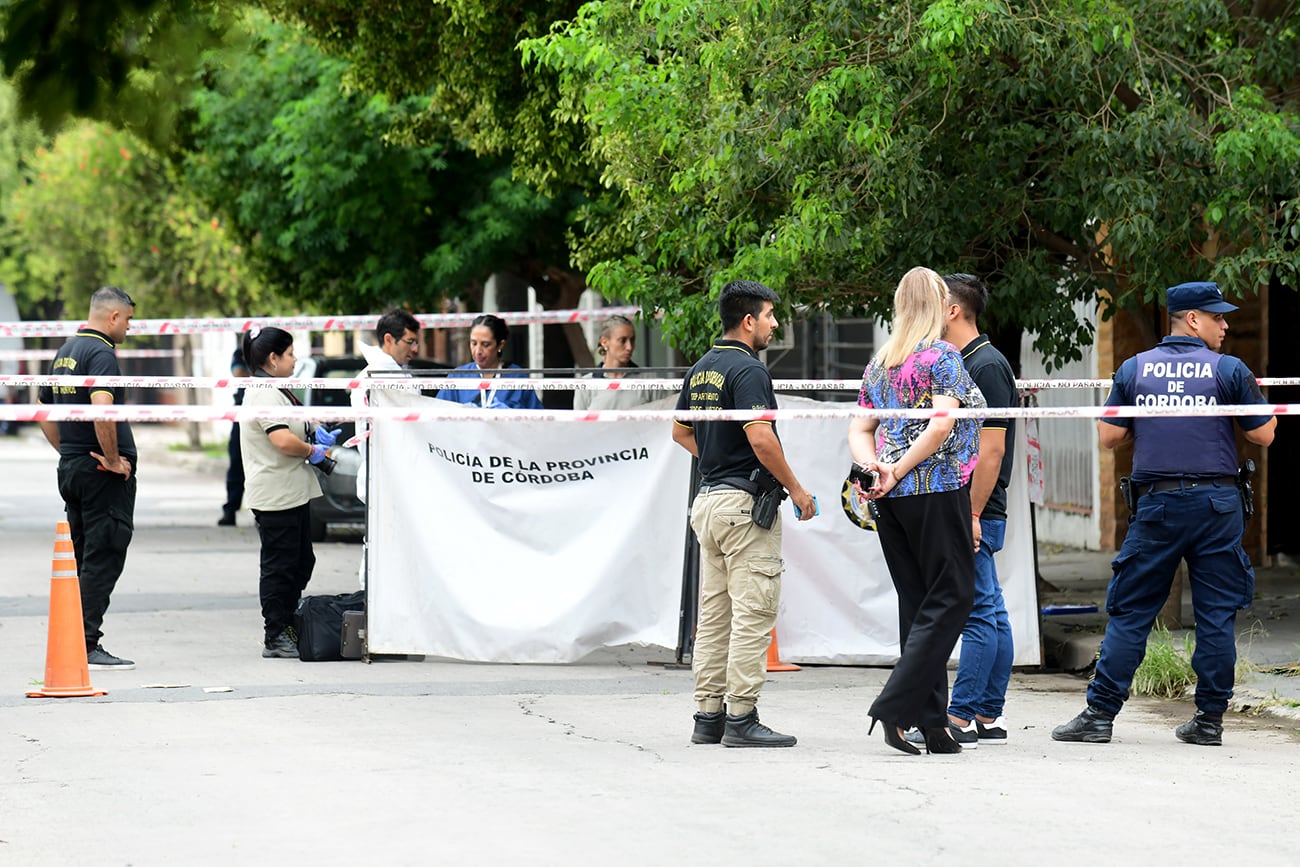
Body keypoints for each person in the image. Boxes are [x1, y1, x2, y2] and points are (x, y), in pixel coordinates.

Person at [1053, 281, 1276, 746]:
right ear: (1192, 319)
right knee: (1215, 616)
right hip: (1216, 506)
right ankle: (1210, 721)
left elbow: (1109, 437)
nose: (1226, 324)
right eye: (1218, 317)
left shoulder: (1134, 368)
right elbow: (1265, 435)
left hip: (1157, 506)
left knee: (1132, 612)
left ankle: (1099, 716)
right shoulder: (1230, 370)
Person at [671, 279, 817, 748]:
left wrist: (717, 458)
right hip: (743, 509)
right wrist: (795, 488)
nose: (775, 325)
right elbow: (760, 438)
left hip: (709, 504)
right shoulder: (748, 370)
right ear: (749, 320)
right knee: (753, 613)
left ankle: (708, 716)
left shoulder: (701, 369)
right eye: (771, 316)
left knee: (713, 617)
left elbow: (680, 433)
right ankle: (742, 717)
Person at [847, 266, 985, 755]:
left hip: (893, 498)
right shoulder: (942, 356)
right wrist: (897, 469)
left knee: (919, 602)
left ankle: (932, 724)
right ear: (937, 304)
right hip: (934, 486)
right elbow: (942, 426)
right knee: (955, 595)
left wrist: (875, 468)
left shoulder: (881, 361)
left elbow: (859, 429)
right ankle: (895, 704)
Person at [932, 273, 1018, 747]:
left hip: (978, 507)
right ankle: (989, 713)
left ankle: (962, 715)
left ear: (953, 311)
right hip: (978, 506)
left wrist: (971, 514)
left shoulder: (983, 365)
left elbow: (991, 451)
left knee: (979, 609)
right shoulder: (968, 361)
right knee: (992, 609)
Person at [36, 286, 139, 670]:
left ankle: (73, 638)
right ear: (113, 316)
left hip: (75, 468)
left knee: (81, 555)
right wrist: (112, 459)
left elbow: (44, 409)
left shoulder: (65, 352)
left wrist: (69, 452)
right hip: (100, 473)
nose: (129, 327)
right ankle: (86, 642)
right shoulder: (101, 353)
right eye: (128, 320)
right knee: (104, 552)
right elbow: (103, 408)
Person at [239, 326, 339, 658]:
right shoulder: (263, 394)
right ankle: (275, 634)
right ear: (273, 358)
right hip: (275, 494)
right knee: (280, 566)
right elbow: (281, 440)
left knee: (300, 562)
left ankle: (287, 625)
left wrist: (314, 429)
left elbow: (290, 425)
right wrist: (312, 451)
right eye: (291, 353)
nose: (295, 359)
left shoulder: (276, 390)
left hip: (290, 492)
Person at [351, 308, 420, 587]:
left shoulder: (390, 374)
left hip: (393, 476)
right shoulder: (381, 378)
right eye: (410, 342)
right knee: (385, 551)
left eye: (417, 342)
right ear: (389, 339)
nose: (415, 349)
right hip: (385, 477)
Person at [436, 314, 543, 409]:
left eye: (485, 344)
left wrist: (513, 416)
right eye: (473, 343)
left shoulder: (517, 377)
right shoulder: (457, 377)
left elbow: (539, 421)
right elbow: (437, 416)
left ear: (500, 345)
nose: (478, 351)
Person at [573, 315, 669, 410]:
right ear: (604, 342)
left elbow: (664, 420)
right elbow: (578, 424)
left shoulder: (649, 380)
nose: (629, 347)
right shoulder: (585, 385)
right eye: (622, 340)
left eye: (632, 340)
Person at [218, 345, 250, 526]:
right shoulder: (240, 353)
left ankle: (262, 512)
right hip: (241, 415)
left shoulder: (270, 354)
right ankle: (230, 510)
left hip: (263, 413)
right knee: (237, 464)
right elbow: (238, 373)